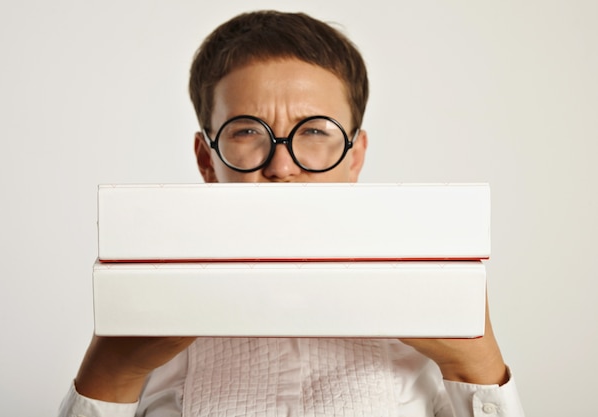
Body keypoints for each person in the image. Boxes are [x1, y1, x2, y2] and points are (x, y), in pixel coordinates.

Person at [59, 10, 524, 417]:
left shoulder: (429, 319)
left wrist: (477, 365)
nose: (281, 167)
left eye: (315, 131)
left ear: (354, 156)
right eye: (246, 131)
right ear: (207, 158)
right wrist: (111, 373)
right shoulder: (146, 322)